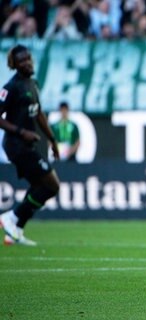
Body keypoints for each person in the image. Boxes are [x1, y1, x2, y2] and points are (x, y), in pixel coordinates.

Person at [0, 44, 61, 246]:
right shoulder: (11, 87)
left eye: (28, 58)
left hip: (28, 146)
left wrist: (52, 139)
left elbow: (39, 113)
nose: (27, 62)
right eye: (22, 60)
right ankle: (12, 217)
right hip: (16, 145)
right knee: (51, 185)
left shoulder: (32, 83)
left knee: (39, 186)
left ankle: (15, 230)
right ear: (14, 65)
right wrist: (21, 132)